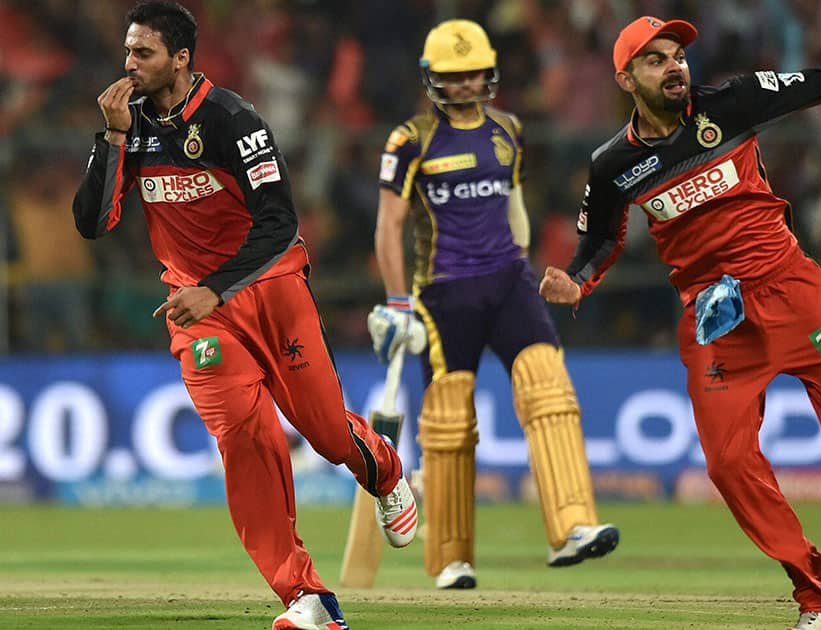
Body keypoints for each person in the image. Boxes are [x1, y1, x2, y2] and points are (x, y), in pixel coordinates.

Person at [540, 15, 821, 630]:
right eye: (655, 60)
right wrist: (576, 280)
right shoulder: (613, 164)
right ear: (625, 78)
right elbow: (599, 241)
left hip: (794, 294)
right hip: (716, 320)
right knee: (729, 467)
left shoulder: (733, 102)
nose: (674, 65)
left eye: (677, 55)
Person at [71, 3, 418, 629]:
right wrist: (114, 137)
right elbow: (92, 224)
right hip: (195, 312)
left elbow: (280, 223)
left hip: (270, 289)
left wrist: (219, 286)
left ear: (180, 57)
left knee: (325, 433)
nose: (128, 64)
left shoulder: (234, 119)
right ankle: (306, 598)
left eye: (142, 52)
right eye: (127, 51)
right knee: (246, 440)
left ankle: (384, 465)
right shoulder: (132, 126)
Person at [368, 18, 618, 590]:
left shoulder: (508, 129)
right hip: (444, 291)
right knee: (449, 422)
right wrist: (398, 302)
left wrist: (524, 262)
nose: (463, 85)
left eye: (473, 73)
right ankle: (451, 557)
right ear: (433, 79)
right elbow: (389, 225)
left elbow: (514, 203)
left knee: (548, 386)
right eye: (452, 76)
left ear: (490, 74)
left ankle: (573, 527)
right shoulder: (410, 140)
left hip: (508, 279)